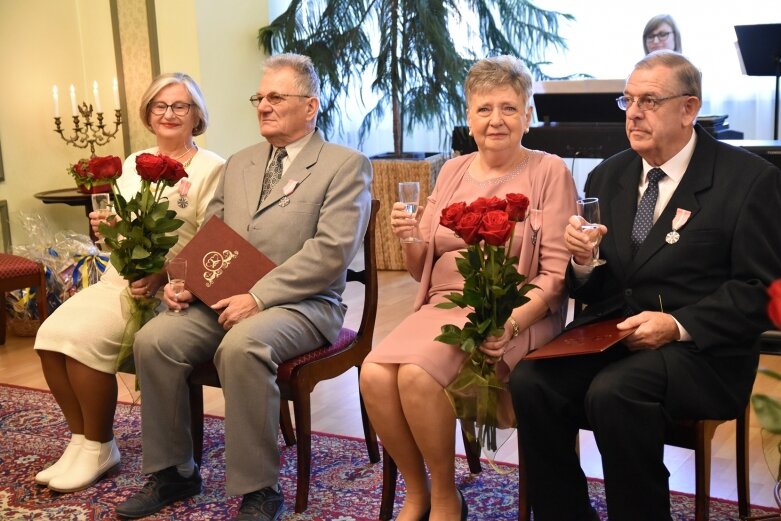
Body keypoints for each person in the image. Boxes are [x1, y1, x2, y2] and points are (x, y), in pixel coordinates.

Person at [510, 50, 781, 521]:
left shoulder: (748, 181)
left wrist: (676, 325)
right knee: (532, 381)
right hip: (614, 336)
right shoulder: (607, 175)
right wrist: (583, 262)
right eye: (628, 100)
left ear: (689, 108)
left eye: (650, 101)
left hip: (703, 352)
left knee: (613, 392)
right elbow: (596, 288)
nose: (633, 113)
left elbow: (761, 290)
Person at [115, 53, 372, 521]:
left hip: (304, 305)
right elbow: (212, 231)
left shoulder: (344, 165)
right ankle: (174, 472)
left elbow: (330, 253)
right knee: (154, 340)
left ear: (311, 106)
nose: (263, 106)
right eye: (260, 97)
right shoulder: (241, 162)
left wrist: (258, 297)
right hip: (223, 297)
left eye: (276, 97)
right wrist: (181, 279)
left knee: (242, 346)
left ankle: (259, 490)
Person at [360, 55, 577, 521]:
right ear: (468, 116)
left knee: (418, 375)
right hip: (443, 306)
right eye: (483, 109)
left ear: (528, 113)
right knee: (374, 374)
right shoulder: (453, 171)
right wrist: (411, 237)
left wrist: (511, 322)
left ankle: (444, 496)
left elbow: (556, 276)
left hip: (513, 312)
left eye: (508, 108)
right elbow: (422, 270)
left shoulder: (549, 171)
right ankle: (417, 490)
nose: (495, 120)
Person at [33, 72, 224, 493]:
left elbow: (214, 242)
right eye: (160, 105)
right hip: (118, 278)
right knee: (48, 337)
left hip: (174, 288)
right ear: (148, 113)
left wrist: (163, 275)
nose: (169, 113)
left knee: (80, 341)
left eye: (180, 105)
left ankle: (100, 445)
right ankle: (83, 441)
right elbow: (124, 231)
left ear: (197, 115)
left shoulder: (213, 168)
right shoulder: (136, 163)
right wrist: (110, 228)